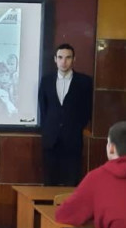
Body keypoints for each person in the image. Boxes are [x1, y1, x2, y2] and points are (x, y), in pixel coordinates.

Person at [38, 43, 93, 185]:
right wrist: (48, 129)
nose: (64, 61)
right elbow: (43, 108)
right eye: (60, 57)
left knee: (72, 182)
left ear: (74, 59)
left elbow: (87, 109)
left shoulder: (85, 82)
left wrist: (77, 127)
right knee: (49, 183)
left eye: (68, 57)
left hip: (73, 140)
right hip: (51, 140)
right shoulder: (46, 80)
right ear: (55, 59)